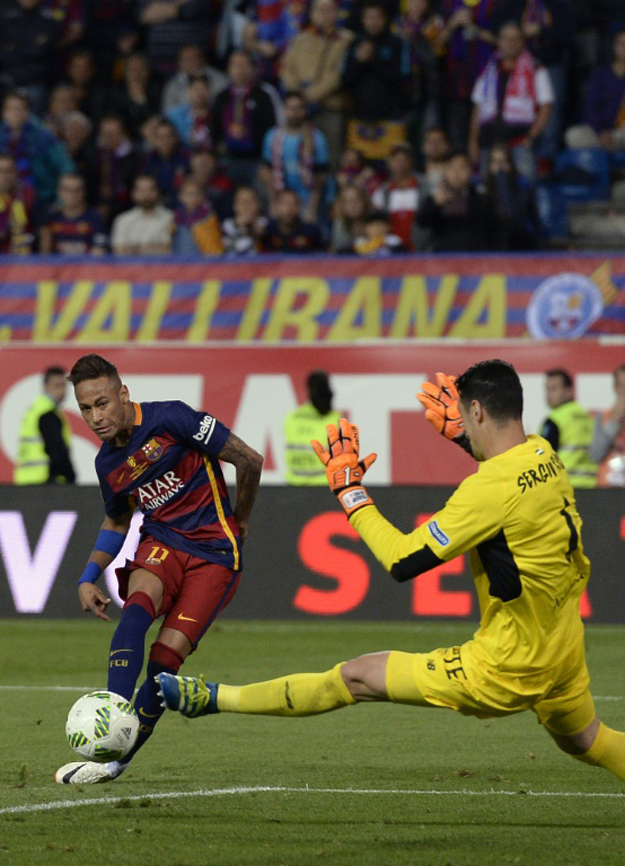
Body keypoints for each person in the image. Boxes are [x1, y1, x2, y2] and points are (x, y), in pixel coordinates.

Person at [157, 360, 625, 787]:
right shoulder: (543, 454)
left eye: (464, 412)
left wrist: (350, 493)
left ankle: (212, 698)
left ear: (476, 409)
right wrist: (466, 439)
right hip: (562, 645)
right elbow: (505, 486)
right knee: (586, 740)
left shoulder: (484, 491)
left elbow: (402, 561)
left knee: (357, 676)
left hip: (509, 664)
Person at [55, 353, 263, 784]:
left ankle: (117, 761)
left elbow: (249, 460)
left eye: (103, 403)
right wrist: (86, 575)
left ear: (123, 394)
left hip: (216, 555)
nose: (96, 417)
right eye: (86, 409)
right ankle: (112, 714)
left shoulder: (173, 419)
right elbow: (116, 520)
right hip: (163, 542)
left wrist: (239, 521)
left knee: (164, 664)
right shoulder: (108, 464)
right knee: (137, 606)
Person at [468, 21, 554, 183]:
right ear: (498, 41)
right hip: (489, 143)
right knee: (488, 192)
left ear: (522, 42)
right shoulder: (488, 70)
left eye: (515, 39)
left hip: (520, 143)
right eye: (506, 39)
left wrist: (530, 137)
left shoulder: (535, 69)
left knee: (524, 190)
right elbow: (478, 107)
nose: (510, 43)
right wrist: (473, 141)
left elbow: (546, 107)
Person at [280, 0, 354, 170]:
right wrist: (297, 96)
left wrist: (311, 95)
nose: (324, 14)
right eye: (320, 10)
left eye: (329, 10)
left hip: (331, 108)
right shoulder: (299, 39)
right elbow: (287, 68)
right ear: (312, 14)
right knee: (300, 157)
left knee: (331, 157)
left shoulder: (346, 40)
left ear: (337, 13)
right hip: (300, 110)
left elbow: (338, 75)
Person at [259, 90, 331, 223]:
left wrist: (312, 209)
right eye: (291, 108)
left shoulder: (316, 138)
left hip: (306, 199)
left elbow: (321, 176)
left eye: (299, 108)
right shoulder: (272, 136)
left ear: (305, 111)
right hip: (280, 198)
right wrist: (273, 202)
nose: (295, 113)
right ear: (284, 111)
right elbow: (265, 172)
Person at [416, 149, 492, 251]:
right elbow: (421, 222)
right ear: (445, 171)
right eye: (451, 167)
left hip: (474, 258)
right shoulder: (436, 197)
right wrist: (436, 204)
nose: (456, 173)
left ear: (470, 171)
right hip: (442, 258)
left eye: (461, 168)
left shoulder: (481, 198)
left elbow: (491, 227)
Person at [14, 366, 76, 485]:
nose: (61, 391)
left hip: (25, 480)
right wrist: (70, 477)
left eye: (63, 385)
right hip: (44, 482)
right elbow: (57, 450)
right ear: (45, 387)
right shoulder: (47, 414)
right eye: (56, 386)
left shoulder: (35, 410)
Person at [539, 369, 597, 488]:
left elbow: (542, 455)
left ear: (568, 391)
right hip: (591, 485)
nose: (548, 394)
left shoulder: (555, 419)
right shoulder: (587, 416)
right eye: (547, 389)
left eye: (554, 389)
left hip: (564, 485)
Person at [283, 370, 341, 485]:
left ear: (308, 390)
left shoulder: (292, 417)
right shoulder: (336, 419)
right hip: (325, 485)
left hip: (294, 484)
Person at [39, 172, 108, 255]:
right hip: (57, 266)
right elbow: (44, 254)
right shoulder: (50, 217)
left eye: (77, 190)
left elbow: (99, 251)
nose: (72, 194)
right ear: (59, 192)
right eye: (67, 190)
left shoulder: (95, 217)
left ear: (84, 192)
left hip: (87, 266)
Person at [110, 174, 174, 256]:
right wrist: (153, 248)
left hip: (162, 267)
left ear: (158, 192)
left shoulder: (170, 217)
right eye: (141, 190)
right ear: (133, 194)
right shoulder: (123, 220)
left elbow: (169, 249)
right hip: (130, 268)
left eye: (151, 189)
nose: (146, 194)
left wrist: (134, 248)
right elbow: (119, 250)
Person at [589, 363, 625, 488]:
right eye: (621, 386)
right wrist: (613, 422)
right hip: (607, 491)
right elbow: (596, 455)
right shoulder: (603, 417)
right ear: (615, 387)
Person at [260, 189, 325, 253]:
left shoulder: (311, 232)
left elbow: (324, 256)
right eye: (285, 204)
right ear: (277, 207)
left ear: (299, 207)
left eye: (294, 204)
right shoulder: (267, 231)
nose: (289, 209)